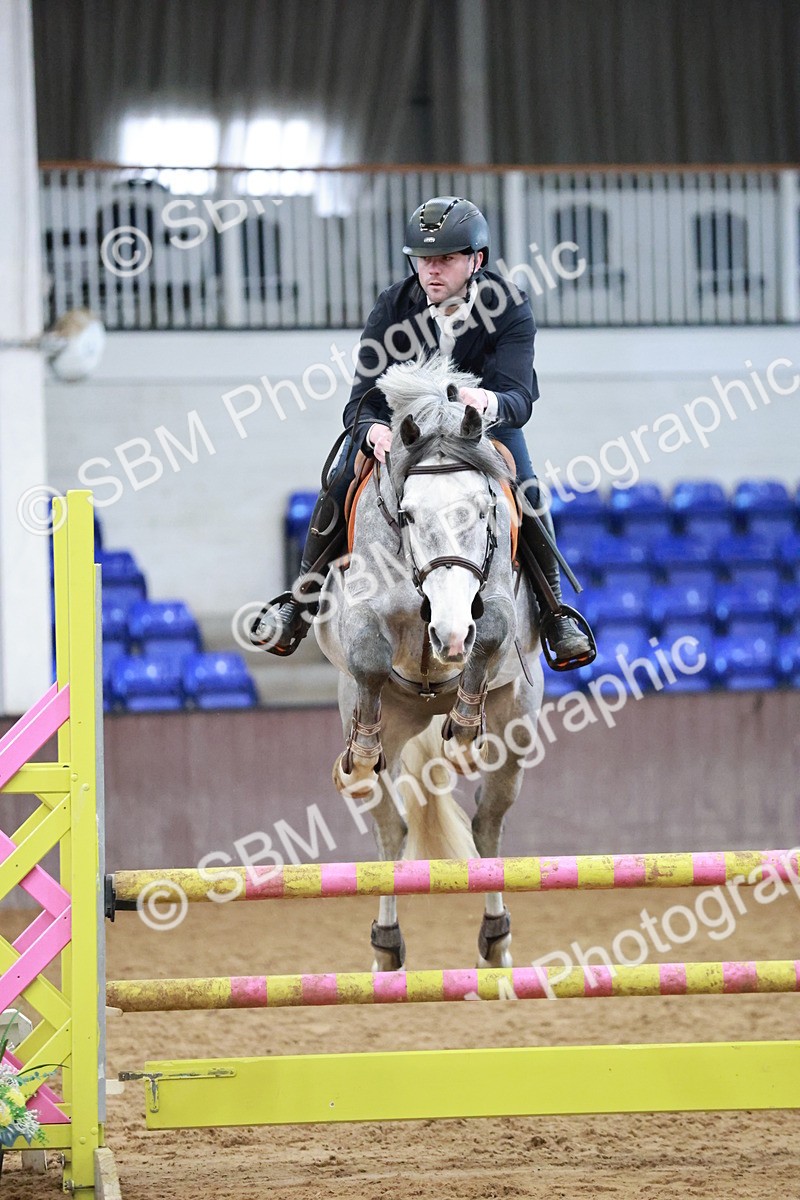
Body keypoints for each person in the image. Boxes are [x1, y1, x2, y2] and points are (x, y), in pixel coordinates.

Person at [252, 196, 594, 670]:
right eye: (424, 260)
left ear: (476, 260)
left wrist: (486, 401)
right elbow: (361, 399)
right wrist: (371, 431)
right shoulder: (394, 304)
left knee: (529, 488)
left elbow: (518, 398)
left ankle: (555, 613)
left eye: (446, 259)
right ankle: (301, 602)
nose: (432, 271)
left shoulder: (509, 306)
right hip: (405, 427)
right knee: (339, 476)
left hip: (481, 427)